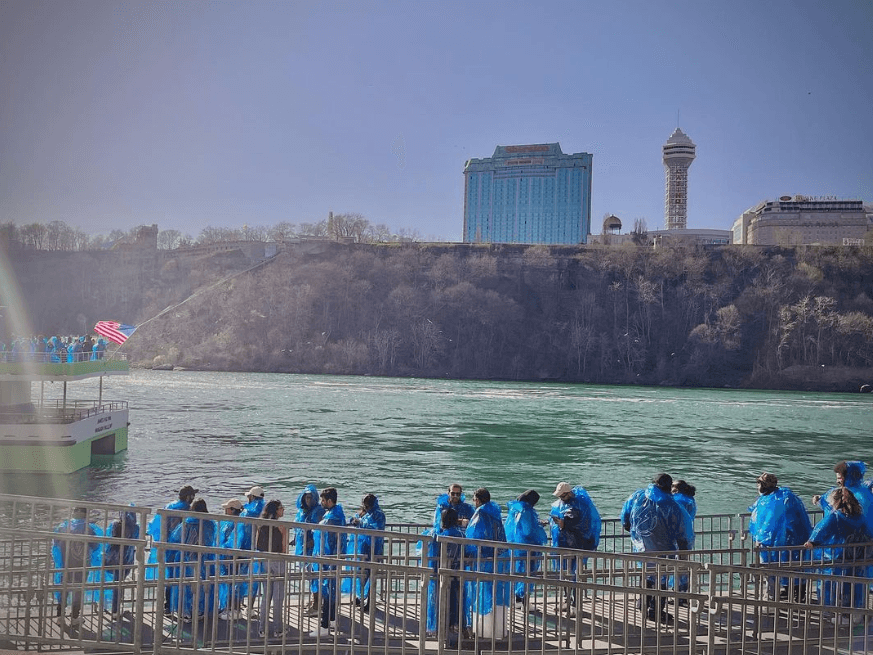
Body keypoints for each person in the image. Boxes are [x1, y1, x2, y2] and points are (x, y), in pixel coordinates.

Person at [620, 473, 694, 624]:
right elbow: (683, 532)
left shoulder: (638, 496)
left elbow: (625, 516)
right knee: (661, 580)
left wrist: (631, 529)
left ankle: (643, 603)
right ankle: (655, 611)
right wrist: (684, 554)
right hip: (665, 550)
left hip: (642, 547)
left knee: (646, 575)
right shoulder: (673, 506)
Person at [805, 487, 873, 616]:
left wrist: (812, 542)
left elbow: (820, 531)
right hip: (856, 557)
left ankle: (832, 613)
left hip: (835, 557)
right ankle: (854, 613)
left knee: (832, 586)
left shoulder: (834, 517)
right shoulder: (860, 517)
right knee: (853, 586)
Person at [747, 472, 812, 600]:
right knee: (794, 566)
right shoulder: (787, 496)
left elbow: (767, 523)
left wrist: (760, 539)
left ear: (763, 486)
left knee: (775, 567)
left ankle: (778, 595)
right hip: (793, 538)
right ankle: (795, 593)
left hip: (778, 539)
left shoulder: (771, 500)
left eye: (759, 484)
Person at [549, 482, 602, 614]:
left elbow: (579, 524)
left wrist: (563, 523)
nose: (560, 498)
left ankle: (575, 605)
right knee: (567, 574)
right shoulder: (566, 504)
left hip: (578, 546)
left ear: (568, 493)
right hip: (564, 545)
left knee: (575, 575)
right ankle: (567, 601)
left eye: (562, 496)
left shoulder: (579, 506)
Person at [464, 488, 509, 639]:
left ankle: (484, 630)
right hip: (498, 558)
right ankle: (497, 630)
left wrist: (468, 552)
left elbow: (472, 534)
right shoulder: (495, 512)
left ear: (477, 499)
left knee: (482, 591)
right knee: (496, 592)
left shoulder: (481, 513)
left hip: (482, 558)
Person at [146, 484, 197, 615]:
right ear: (188, 497)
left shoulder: (169, 506)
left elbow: (155, 526)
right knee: (182, 577)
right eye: (193, 496)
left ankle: (167, 606)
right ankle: (180, 607)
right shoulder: (187, 510)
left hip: (166, 547)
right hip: (180, 548)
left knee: (169, 577)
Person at [51, 507, 102, 628]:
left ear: (73, 514)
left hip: (66, 564)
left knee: (64, 589)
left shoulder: (64, 527)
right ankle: (74, 617)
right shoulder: (89, 529)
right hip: (82, 565)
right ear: (86, 515)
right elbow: (96, 547)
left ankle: (60, 617)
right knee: (78, 590)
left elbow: (56, 543)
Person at [169, 498, 217, 623]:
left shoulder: (187, 523)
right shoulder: (210, 523)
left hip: (186, 557)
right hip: (204, 558)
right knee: (202, 584)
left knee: (185, 584)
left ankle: (186, 613)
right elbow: (213, 539)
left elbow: (175, 538)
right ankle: (200, 611)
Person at [310, 487, 347, 638]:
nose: (321, 503)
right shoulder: (337, 513)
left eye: (323, 500)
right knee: (331, 591)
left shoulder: (332, 517)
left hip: (329, 558)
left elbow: (323, 535)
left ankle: (324, 626)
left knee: (327, 592)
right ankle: (331, 620)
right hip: (334, 558)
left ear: (330, 501)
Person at [426, 507, 465, 637]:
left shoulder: (437, 534)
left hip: (439, 573)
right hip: (457, 572)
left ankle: (438, 628)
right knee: (456, 600)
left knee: (438, 599)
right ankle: (455, 626)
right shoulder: (460, 534)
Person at [504, 489, 547, 604]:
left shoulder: (515, 508)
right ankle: (524, 602)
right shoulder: (526, 511)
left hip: (516, 546)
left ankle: (517, 600)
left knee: (518, 572)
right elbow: (528, 531)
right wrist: (539, 526)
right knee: (528, 574)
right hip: (528, 546)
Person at [346, 493, 386, 611]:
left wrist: (360, 522)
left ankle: (370, 602)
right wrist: (354, 520)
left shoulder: (379, 514)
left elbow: (376, 528)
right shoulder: (365, 514)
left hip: (374, 548)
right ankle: (360, 596)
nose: (366, 507)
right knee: (360, 573)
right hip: (363, 547)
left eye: (367, 505)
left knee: (371, 575)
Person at [256, 499, 288, 638]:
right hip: (278, 560)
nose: (283, 510)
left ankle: (262, 628)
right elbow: (284, 549)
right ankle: (278, 629)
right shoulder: (281, 526)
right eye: (282, 508)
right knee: (278, 597)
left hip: (264, 560)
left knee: (266, 597)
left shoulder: (261, 524)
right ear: (276, 510)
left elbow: (257, 544)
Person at [815, 461, 873, 534]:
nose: (837, 481)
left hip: (849, 538)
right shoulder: (865, 493)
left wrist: (820, 501)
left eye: (839, 478)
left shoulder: (851, 495)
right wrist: (820, 499)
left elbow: (834, 514)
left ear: (848, 477)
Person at [294, 484, 326, 616]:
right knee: (311, 577)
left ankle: (317, 605)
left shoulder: (318, 511)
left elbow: (319, 531)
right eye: (306, 497)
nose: (308, 500)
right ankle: (315, 600)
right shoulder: (303, 511)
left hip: (314, 550)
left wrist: (311, 543)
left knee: (315, 577)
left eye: (310, 497)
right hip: (305, 549)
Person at [103, 509, 139, 618]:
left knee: (115, 584)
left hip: (112, 558)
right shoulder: (135, 528)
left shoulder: (114, 525)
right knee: (119, 584)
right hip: (126, 560)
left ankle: (113, 608)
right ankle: (116, 610)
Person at [236, 486, 266, 614]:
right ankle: (250, 607)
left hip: (246, 549)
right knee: (255, 580)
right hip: (260, 549)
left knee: (241, 578)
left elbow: (242, 531)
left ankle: (237, 607)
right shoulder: (265, 510)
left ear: (252, 497)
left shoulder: (247, 512)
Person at [217, 498, 244, 620]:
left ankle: (232, 609)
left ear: (232, 510)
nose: (225, 511)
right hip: (235, 557)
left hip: (231, 557)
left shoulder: (233, 523)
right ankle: (234, 609)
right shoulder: (240, 522)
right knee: (235, 583)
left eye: (227, 508)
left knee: (231, 583)